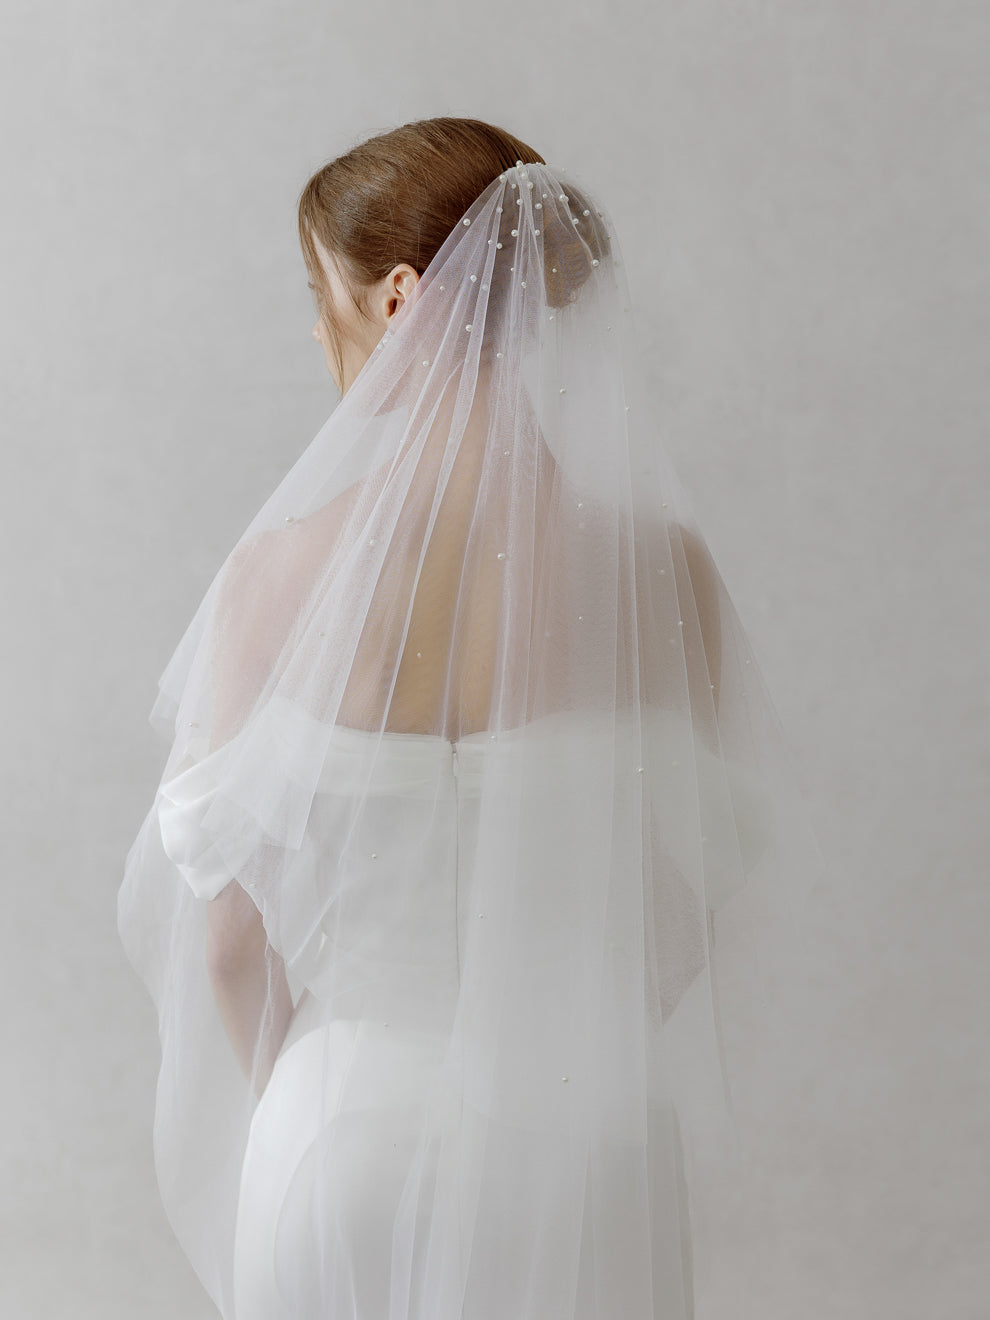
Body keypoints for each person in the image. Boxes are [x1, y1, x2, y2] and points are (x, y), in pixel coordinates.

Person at [118, 117, 825, 1320]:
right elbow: (684, 907)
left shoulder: (275, 579)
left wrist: (330, 1087)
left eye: (318, 291)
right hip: (591, 1150)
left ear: (396, 300)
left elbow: (229, 946)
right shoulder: (662, 574)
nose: (314, 329)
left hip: (343, 1145)